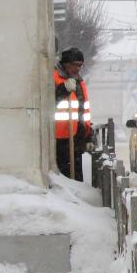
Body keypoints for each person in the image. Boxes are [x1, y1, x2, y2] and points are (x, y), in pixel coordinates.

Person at [52, 47, 92, 179]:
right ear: (66, 64)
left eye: (80, 65)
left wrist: (88, 135)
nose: (78, 68)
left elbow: (84, 111)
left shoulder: (80, 81)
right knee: (66, 177)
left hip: (77, 138)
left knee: (77, 177)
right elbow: (49, 101)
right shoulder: (55, 77)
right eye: (75, 65)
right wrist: (63, 89)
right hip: (61, 139)